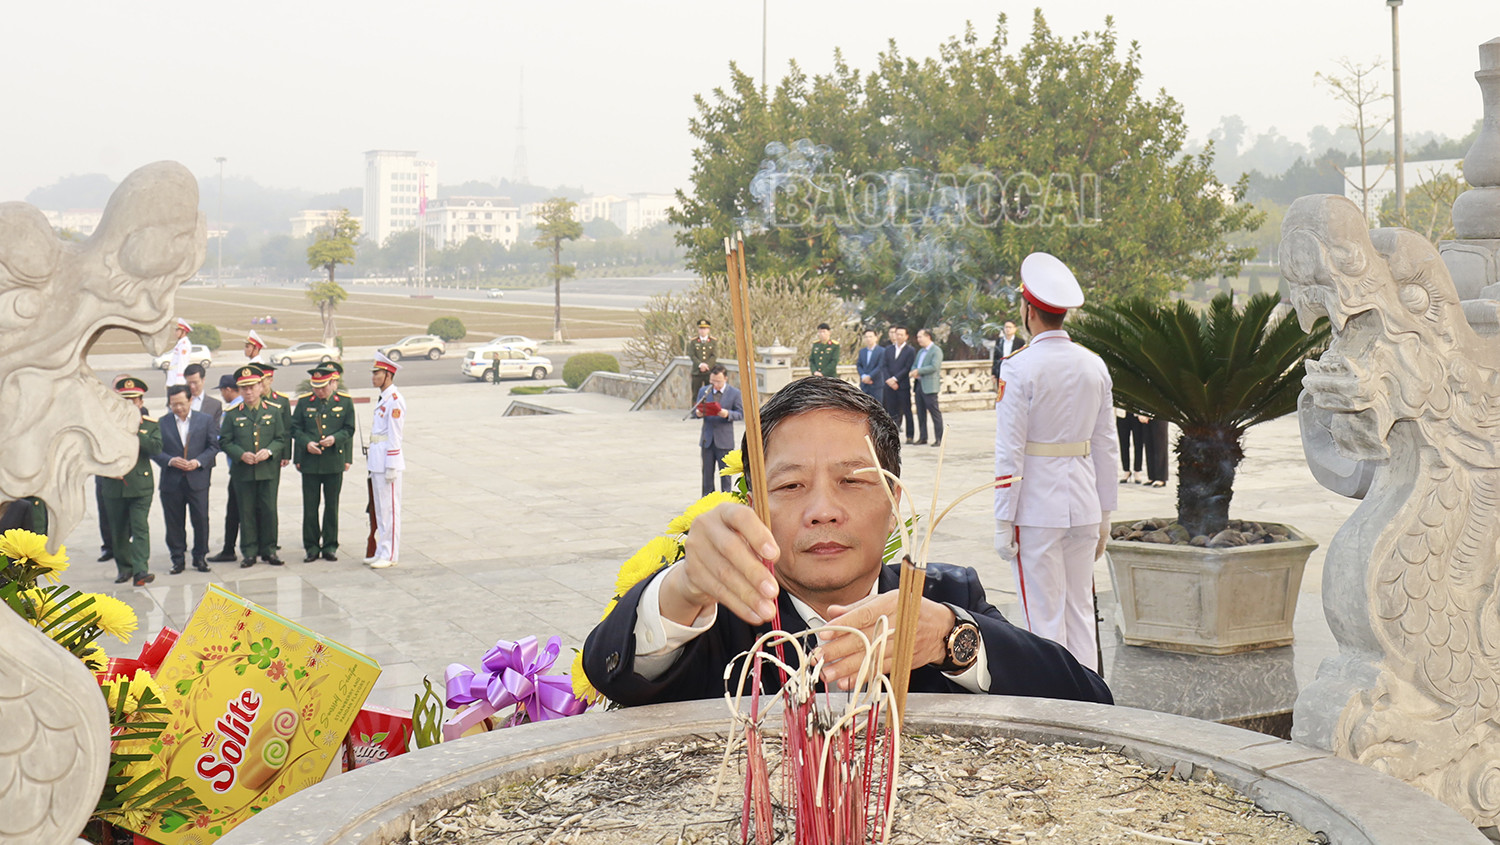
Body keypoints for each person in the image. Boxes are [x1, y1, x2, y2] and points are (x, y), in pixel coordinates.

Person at [582, 377, 1111, 706]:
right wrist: (685, 584)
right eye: (789, 486)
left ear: (895, 500)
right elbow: (614, 672)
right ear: (752, 507)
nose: (823, 511)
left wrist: (950, 640)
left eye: (853, 481)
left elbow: (1088, 701)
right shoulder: (719, 622)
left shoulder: (942, 598)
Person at [993, 252, 1120, 672]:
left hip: (1036, 509)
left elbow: (1009, 451)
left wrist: (1002, 519)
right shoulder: (1094, 365)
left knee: (1042, 618)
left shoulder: (1019, 367)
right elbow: (1106, 445)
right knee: (1080, 611)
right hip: (1083, 505)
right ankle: (1090, 701)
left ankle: (1056, 707)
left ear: (1029, 311)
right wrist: (1104, 513)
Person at [220, 365, 286, 568]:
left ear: (260, 386)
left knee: (269, 510)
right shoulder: (232, 414)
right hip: (243, 471)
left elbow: (281, 438)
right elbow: (224, 441)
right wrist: (240, 454)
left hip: (267, 470)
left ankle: (269, 550)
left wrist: (270, 451)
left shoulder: (273, 411)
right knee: (246, 511)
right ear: (239, 390)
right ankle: (249, 552)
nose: (248, 392)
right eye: (244, 388)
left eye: (252, 387)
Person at [99, 376, 162, 586]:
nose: (129, 404)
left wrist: (135, 432)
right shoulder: (105, 425)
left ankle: (141, 570)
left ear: (140, 403)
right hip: (114, 485)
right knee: (118, 530)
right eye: (124, 400)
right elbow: (96, 452)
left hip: (140, 485)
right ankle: (124, 568)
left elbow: (156, 448)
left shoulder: (150, 425)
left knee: (140, 527)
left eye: (133, 400)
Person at [153, 384, 219, 574]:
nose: (178, 408)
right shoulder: (162, 423)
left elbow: (213, 446)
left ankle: (200, 557)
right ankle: (177, 558)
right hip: (171, 481)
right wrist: (170, 460)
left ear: (190, 400)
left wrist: (198, 462)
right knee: (174, 522)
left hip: (197, 479)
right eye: (174, 405)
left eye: (182, 403)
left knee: (200, 520)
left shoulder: (204, 420)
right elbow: (156, 451)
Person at [293, 365, 355, 561]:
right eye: (315, 387)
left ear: (332, 383)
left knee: (331, 505)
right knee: (310, 506)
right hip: (310, 461)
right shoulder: (304, 403)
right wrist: (306, 444)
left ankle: (330, 545)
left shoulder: (344, 402)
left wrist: (335, 439)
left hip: (333, 461)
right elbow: (295, 429)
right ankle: (311, 546)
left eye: (323, 387)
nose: (319, 391)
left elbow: (349, 429)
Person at [366, 352, 406, 569]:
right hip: (377, 459)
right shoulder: (384, 398)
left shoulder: (395, 400)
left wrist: (392, 464)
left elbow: (395, 434)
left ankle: (390, 553)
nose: (373, 377)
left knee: (390, 509)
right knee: (380, 509)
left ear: (388, 375)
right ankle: (382, 549)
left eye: (377, 373)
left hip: (387, 462)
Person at [207, 374, 243, 563]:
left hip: (239, 470)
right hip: (246, 468)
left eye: (222, 390)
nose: (222, 395)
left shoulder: (233, 410)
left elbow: (222, 440)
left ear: (228, 389)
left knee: (235, 512)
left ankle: (230, 548)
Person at [693, 365, 743, 496]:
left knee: (725, 474)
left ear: (726, 379)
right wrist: (698, 413)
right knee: (707, 474)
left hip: (724, 440)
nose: (715, 384)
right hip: (707, 439)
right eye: (713, 381)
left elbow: (740, 413)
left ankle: (726, 501)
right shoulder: (704, 391)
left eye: (718, 381)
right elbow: (696, 409)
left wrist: (727, 414)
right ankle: (707, 501)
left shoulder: (734, 393)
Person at [910, 328, 944, 447]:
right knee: (920, 413)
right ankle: (923, 437)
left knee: (935, 413)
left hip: (930, 386)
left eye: (920, 337)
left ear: (928, 336)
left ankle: (939, 438)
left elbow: (934, 367)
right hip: (919, 385)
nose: (918, 339)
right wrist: (914, 371)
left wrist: (919, 371)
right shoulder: (920, 352)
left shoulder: (936, 351)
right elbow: (914, 365)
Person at [882, 325, 916, 442]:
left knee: (907, 411)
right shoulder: (888, 349)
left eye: (902, 334)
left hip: (903, 386)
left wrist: (895, 379)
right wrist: (889, 380)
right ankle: (892, 437)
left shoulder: (910, 351)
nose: (899, 336)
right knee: (891, 412)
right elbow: (884, 366)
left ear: (906, 336)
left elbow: (907, 368)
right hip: (889, 386)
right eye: (897, 334)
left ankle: (910, 436)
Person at [686, 319, 717, 405]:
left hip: (709, 371)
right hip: (697, 371)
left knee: (709, 393)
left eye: (705, 329)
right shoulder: (694, 341)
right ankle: (695, 411)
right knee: (696, 392)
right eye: (701, 329)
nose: (703, 331)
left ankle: (708, 411)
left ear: (708, 330)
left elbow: (714, 356)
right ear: (698, 330)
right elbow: (692, 355)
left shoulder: (713, 341)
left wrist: (707, 365)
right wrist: (700, 365)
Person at [855, 328, 886, 404]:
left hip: (876, 384)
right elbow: (859, 365)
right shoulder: (862, 351)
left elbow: (880, 366)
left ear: (876, 338)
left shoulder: (882, 351)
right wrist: (863, 376)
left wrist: (870, 376)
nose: (868, 339)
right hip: (864, 385)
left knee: (877, 408)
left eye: (870, 336)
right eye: (866, 337)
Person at [1116, 410, 1146, 484]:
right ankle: (1126, 470)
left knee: (1138, 443)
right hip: (1122, 414)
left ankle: (1137, 470)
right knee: (1123, 443)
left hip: (1137, 414)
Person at [164, 318, 192, 387]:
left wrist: (180, 381)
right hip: (172, 377)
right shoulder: (180, 343)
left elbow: (183, 362)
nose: (176, 332)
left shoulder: (184, 345)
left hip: (176, 379)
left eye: (178, 330)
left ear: (184, 332)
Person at [1144, 417, 1170, 488]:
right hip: (1146, 415)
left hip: (1159, 415)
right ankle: (1152, 476)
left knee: (1160, 445)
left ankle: (1161, 477)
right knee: (1149, 444)